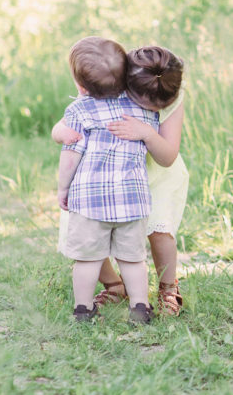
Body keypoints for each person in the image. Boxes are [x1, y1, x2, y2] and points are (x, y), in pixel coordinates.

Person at [54, 45, 188, 316]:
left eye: (156, 108)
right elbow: (64, 126)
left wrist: (147, 133)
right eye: (144, 104)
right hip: (104, 174)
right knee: (89, 228)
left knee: (158, 230)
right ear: (126, 83)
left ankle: (167, 289)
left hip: (156, 170)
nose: (152, 109)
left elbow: (168, 156)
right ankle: (114, 286)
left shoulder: (166, 89)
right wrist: (62, 133)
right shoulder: (111, 81)